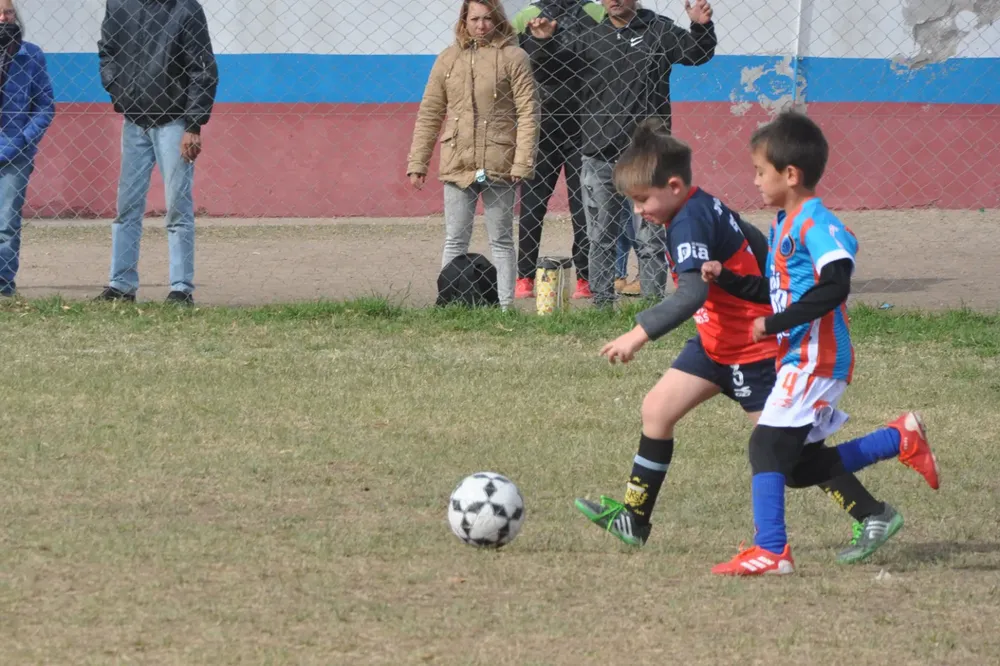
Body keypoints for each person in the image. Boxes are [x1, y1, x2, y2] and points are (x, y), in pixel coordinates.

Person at [573, 119, 900, 565]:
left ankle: (872, 512)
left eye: (642, 199)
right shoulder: (699, 204)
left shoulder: (688, 221)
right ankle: (634, 517)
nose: (638, 211)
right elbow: (753, 239)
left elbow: (692, 293)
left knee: (792, 454)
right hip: (714, 346)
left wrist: (638, 334)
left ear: (672, 187)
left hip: (753, 353)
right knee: (657, 410)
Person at [703, 110, 940, 576]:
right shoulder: (783, 224)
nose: (754, 180)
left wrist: (777, 324)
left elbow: (836, 285)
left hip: (817, 358)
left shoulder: (816, 221)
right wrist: (727, 279)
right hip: (799, 356)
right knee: (795, 468)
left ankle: (771, 551)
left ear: (790, 175)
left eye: (759, 171)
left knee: (765, 449)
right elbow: (777, 292)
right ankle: (898, 439)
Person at [526, 0, 716, 307]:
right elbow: (550, 73)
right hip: (600, 154)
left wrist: (700, 26)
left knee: (650, 238)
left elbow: (697, 53)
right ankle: (602, 304)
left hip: (648, 158)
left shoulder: (659, 30)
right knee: (600, 236)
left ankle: (652, 304)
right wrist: (544, 43)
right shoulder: (588, 36)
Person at [407, 0, 539, 311]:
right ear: (464, 21)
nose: (481, 25)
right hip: (457, 162)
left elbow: (529, 113)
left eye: (487, 19)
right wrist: (418, 162)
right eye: (475, 18)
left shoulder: (514, 57)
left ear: (498, 20)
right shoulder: (447, 59)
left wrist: (522, 161)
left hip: (501, 163)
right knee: (455, 240)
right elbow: (430, 113)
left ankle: (506, 307)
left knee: (502, 241)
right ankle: (450, 304)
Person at [95, 0, 218, 305]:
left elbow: (202, 70)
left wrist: (194, 125)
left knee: (177, 206)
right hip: (134, 120)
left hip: (175, 122)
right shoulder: (120, 6)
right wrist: (119, 91)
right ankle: (121, 285)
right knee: (127, 206)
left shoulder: (186, 9)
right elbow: (107, 51)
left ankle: (180, 288)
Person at [511, 0, 600, 301]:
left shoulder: (595, 13)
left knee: (584, 207)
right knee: (532, 207)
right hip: (541, 128)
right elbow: (515, 66)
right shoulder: (525, 16)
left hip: (584, 127)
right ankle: (524, 276)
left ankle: (586, 278)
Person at [0, 0, 54, 297]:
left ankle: (3, 285)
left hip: (15, 151)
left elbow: (45, 107)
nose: (3, 18)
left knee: (6, 223)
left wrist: (21, 140)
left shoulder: (30, 55)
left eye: (8, 13)